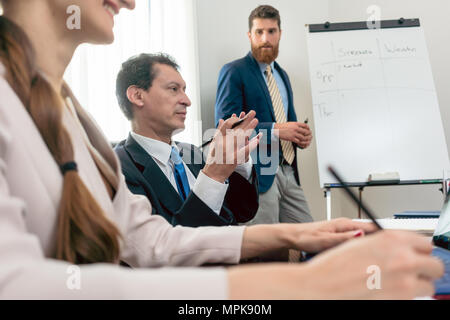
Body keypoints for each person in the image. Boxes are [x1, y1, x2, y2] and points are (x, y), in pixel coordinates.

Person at [0, 0, 444, 300]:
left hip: (278, 176)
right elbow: (17, 284)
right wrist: (308, 285)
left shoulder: (74, 120)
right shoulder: (118, 151)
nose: (131, 2)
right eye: (173, 89)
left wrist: (295, 234)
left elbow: (151, 241)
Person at [114, 53, 259, 227]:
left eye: (184, 90)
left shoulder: (191, 152)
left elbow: (241, 212)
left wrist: (239, 163)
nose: (187, 101)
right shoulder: (118, 169)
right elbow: (164, 244)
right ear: (137, 96)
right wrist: (213, 176)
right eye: (174, 89)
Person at [215, 5, 313, 225]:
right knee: (264, 247)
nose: (265, 38)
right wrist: (278, 130)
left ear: (280, 34)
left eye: (271, 31)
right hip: (258, 175)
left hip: (289, 172)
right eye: (259, 32)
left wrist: (299, 136)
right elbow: (228, 128)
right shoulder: (234, 72)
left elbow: (288, 122)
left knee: (311, 238)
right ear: (250, 35)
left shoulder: (283, 75)